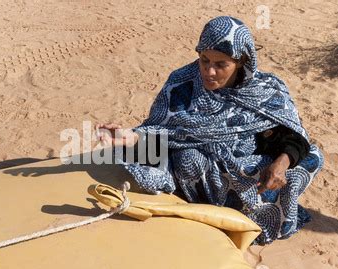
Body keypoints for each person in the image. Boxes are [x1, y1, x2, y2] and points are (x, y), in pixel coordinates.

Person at [95, 16, 323, 244]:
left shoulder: (266, 90)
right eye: (204, 60)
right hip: (202, 169)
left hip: (247, 165)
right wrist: (131, 137)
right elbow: (165, 132)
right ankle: (209, 212)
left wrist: (281, 163)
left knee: (309, 158)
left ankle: (257, 216)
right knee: (187, 158)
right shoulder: (182, 84)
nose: (209, 71)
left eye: (220, 64)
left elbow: (294, 136)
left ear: (241, 62)